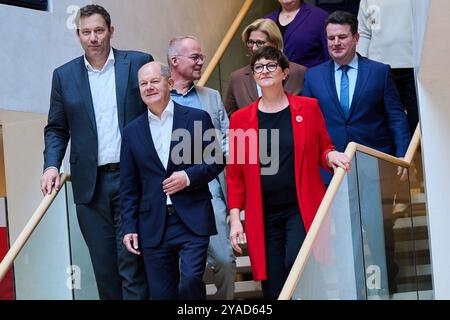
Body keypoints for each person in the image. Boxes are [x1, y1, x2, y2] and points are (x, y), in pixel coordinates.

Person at [40, 5, 152, 300]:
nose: (93, 38)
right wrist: (52, 165)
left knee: (133, 265)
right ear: (78, 35)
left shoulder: (138, 63)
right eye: (86, 32)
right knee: (104, 269)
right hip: (90, 188)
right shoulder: (64, 76)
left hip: (133, 182)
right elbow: (56, 129)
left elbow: (157, 114)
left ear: (111, 31)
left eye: (99, 30)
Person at [227, 46, 351, 299]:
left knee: (299, 264)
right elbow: (236, 174)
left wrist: (330, 155)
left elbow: (322, 147)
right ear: (253, 75)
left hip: (300, 207)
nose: (265, 71)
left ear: (285, 72)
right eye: (258, 67)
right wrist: (235, 218)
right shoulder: (241, 119)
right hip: (262, 213)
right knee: (273, 282)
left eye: (271, 65)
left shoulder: (308, 108)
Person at [301, 10, 411, 295]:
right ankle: (354, 288)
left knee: (379, 231)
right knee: (344, 235)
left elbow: (396, 117)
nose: (336, 43)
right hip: (334, 172)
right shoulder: (314, 77)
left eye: (342, 37)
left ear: (356, 38)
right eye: (331, 38)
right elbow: (309, 126)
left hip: (375, 167)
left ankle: (388, 284)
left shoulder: (379, 71)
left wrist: (401, 155)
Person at [120, 62, 224, 300]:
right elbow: (128, 186)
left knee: (189, 282)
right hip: (153, 224)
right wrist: (129, 227)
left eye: (154, 81)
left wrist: (188, 177)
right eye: (143, 84)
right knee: (161, 294)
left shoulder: (197, 118)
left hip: (192, 218)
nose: (148, 88)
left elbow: (216, 160)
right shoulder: (131, 132)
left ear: (169, 83)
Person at [167, 36, 236, 300]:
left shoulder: (212, 96)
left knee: (225, 260)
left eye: (201, 57)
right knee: (181, 272)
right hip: (170, 192)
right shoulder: (157, 95)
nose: (201, 62)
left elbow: (227, 138)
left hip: (209, 188)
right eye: (195, 57)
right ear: (175, 61)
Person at [357, 0, 418, 133]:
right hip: (379, 68)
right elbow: (364, 33)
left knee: (417, 121)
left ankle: (416, 154)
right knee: (383, 121)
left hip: (413, 66)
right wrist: (362, 65)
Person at [225, 18, 306, 116]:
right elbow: (229, 119)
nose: (254, 48)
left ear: (275, 44)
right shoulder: (237, 78)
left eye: (260, 43)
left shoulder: (299, 73)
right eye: (250, 42)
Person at [266, 0, 330, 68]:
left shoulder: (320, 17)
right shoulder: (267, 20)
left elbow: (330, 56)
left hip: (308, 77)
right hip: (272, 76)